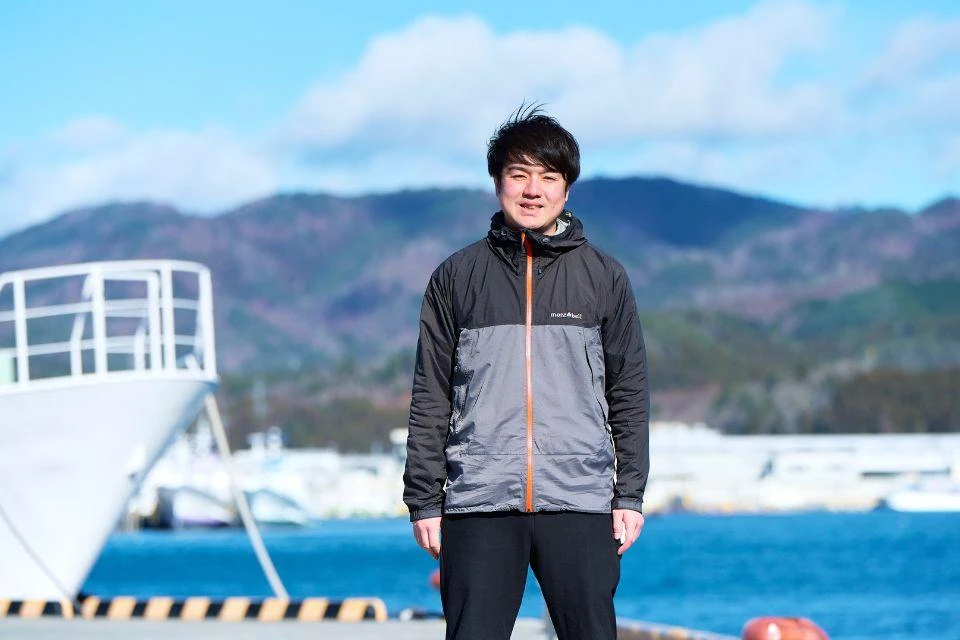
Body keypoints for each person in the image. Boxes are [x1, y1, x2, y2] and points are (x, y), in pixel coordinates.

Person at [403, 105, 650, 640]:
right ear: (497, 184)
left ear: (567, 190)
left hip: (579, 499)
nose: (532, 190)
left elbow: (628, 393)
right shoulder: (456, 277)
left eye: (548, 177)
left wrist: (628, 494)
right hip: (478, 501)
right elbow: (431, 394)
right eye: (519, 174)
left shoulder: (603, 277)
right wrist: (424, 498)